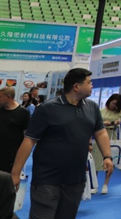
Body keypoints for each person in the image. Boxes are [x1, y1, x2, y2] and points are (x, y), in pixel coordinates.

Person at [10, 68, 113, 219]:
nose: (92, 86)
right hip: (47, 179)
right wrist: (15, 173)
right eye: (89, 83)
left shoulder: (92, 107)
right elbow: (29, 140)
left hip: (76, 180)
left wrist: (107, 156)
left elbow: (100, 132)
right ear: (76, 86)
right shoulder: (47, 109)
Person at [0, 86, 28, 219]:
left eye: (0, 97)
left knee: (7, 191)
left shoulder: (23, 113)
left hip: (12, 158)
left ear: (8, 97)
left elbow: (27, 137)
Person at [92, 93, 121, 195]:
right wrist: (103, 123)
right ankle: (95, 185)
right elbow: (95, 123)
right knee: (96, 162)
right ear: (109, 101)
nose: (114, 106)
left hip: (111, 137)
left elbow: (119, 120)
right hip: (99, 137)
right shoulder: (100, 111)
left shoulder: (120, 112)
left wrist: (116, 122)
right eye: (113, 103)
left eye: (116, 104)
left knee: (110, 161)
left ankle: (105, 184)